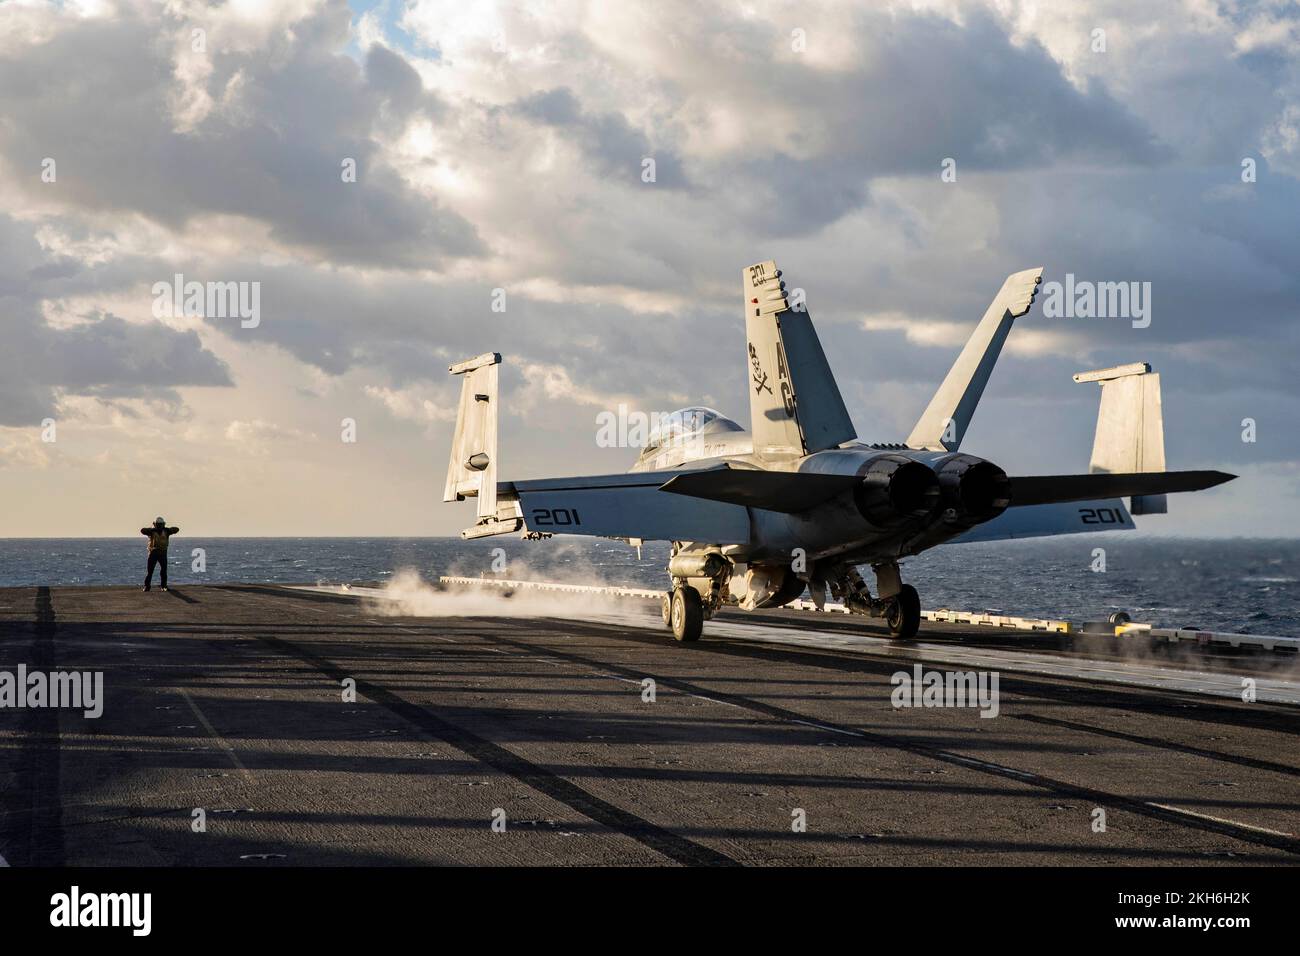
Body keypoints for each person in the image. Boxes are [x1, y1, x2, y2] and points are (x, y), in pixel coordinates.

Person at [140, 517, 180, 591]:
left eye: (161, 524)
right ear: (156, 524)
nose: (160, 526)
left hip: (163, 552)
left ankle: (163, 586)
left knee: (164, 571)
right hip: (153, 552)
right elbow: (142, 530)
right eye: (159, 524)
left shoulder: (166, 531)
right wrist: (152, 529)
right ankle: (147, 586)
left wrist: (167, 529)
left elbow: (176, 529)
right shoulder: (152, 531)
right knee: (150, 571)